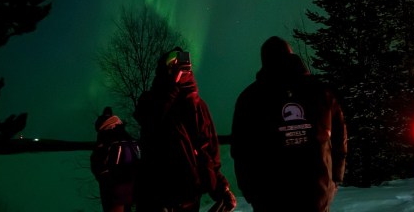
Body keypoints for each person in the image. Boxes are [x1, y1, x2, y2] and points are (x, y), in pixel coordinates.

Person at [231, 36, 347, 212]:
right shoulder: (322, 92)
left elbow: (241, 150)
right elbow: (340, 138)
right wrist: (335, 179)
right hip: (317, 195)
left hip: (270, 200)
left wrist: (250, 192)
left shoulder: (250, 98)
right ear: (291, 55)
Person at [133, 47, 237, 212]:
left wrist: (221, 188)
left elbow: (207, 151)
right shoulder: (150, 100)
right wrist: (171, 86)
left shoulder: (198, 106)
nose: (180, 69)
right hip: (156, 199)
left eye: (184, 64)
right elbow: (151, 123)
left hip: (189, 199)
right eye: (174, 64)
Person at [90, 107, 137, 212]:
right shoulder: (127, 136)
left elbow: (97, 162)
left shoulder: (105, 137)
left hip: (115, 189)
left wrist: (106, 180)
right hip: (129, 187)